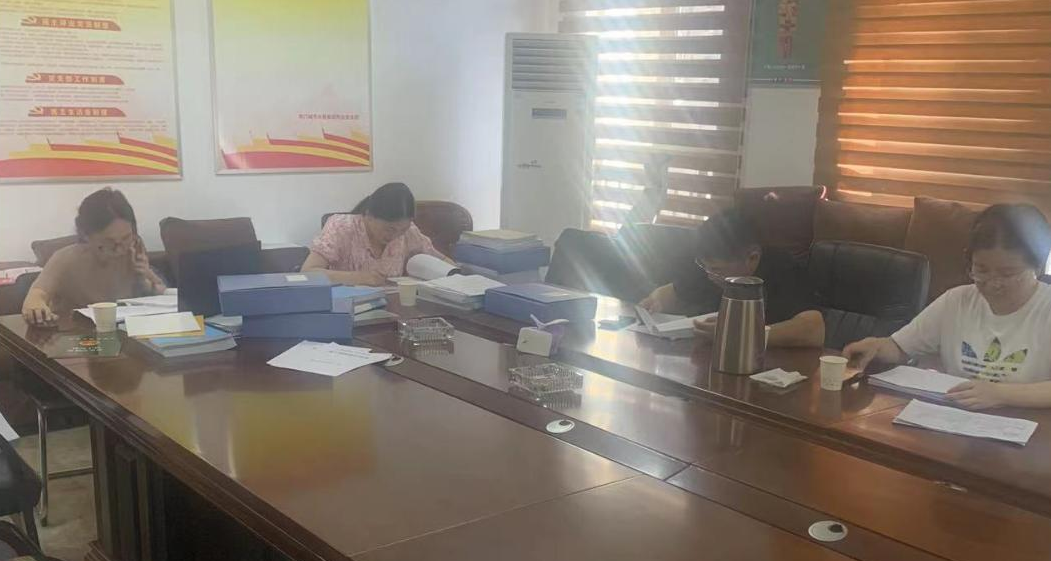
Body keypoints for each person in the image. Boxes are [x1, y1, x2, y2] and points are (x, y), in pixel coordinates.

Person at [844, 204, 1051, 410]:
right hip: (955, 418)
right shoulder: (957, 300)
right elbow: (901, 348)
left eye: (1008, 274)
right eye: (981, 270)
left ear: (1038, 266)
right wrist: (877, 346)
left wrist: (1001, 394)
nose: (993, 283)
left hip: (1031, 424)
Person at [639, 209, 824, 347]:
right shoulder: (708, 264)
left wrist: (741, 335)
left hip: (769, 366)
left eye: (717, 270)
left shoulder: (782, 268)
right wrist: (654, 302)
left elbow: (813, 330)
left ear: (752, 257)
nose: (709, 275)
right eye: (704, 266)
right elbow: (670, 294)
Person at [22, 188, 166, 326]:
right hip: (76, 333)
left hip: (123, 331)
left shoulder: (133, 249)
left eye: (126, 237)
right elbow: (37, 295)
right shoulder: (66, 258)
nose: (119, 249)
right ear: (86, 236)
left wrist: (147, 274)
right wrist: (37, 307)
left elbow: (160, 294)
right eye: (109, 242)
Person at [302, 182, 452, 286]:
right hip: (347, 309)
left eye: (402, 230)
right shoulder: (341, 227)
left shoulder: (408, 232)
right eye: (389, 229)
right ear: (369, 216)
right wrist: (358, 278)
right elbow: (308, 272)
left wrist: (457, 274)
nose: (395, 236)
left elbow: (441, 260)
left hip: (393, 309)